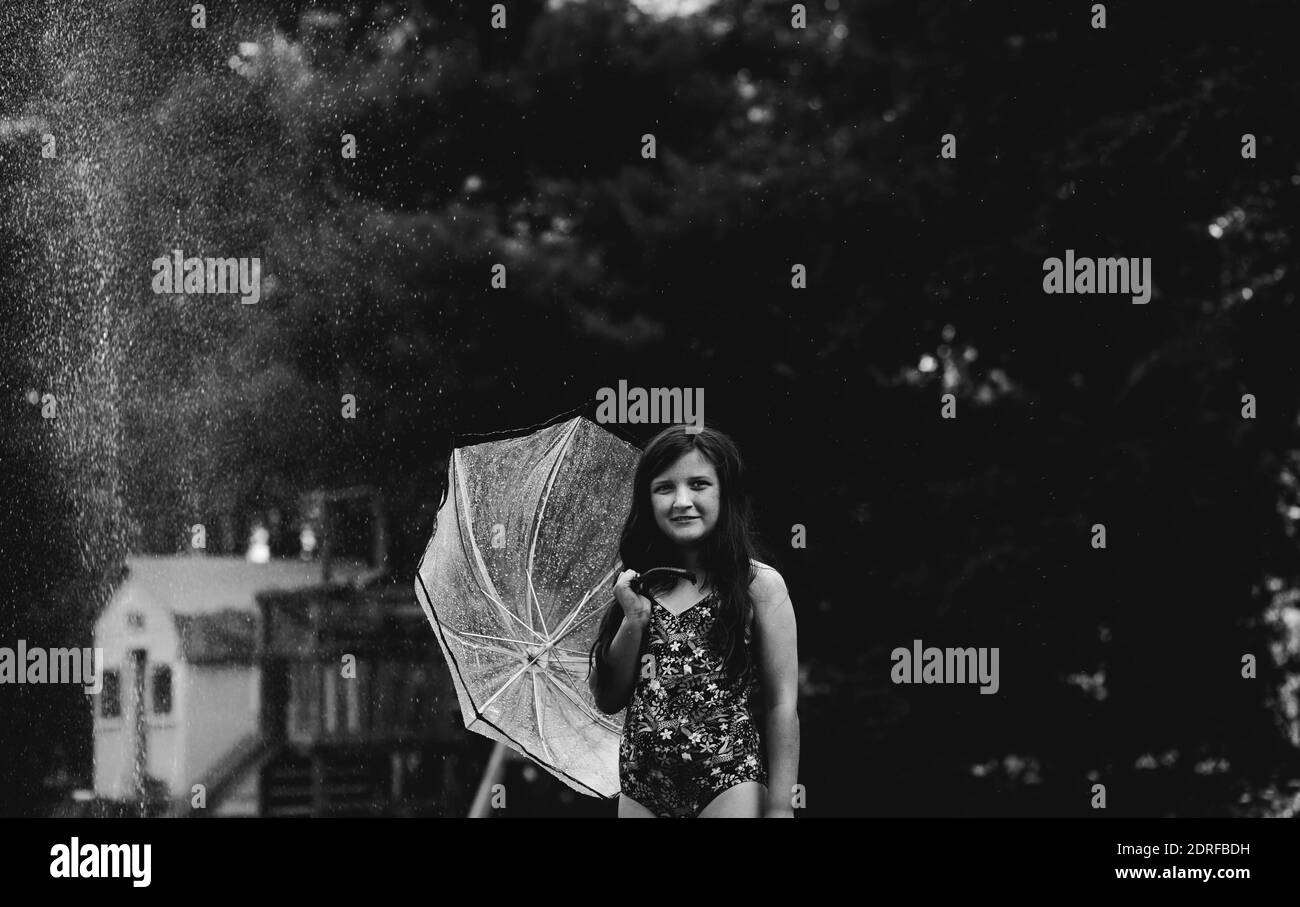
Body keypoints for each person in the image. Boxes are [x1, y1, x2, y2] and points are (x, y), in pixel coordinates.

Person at [587, 424, 800, 817]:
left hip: (727, 777)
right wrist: (633, 618)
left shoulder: (759, 586)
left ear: (724, 493)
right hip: (641, 785)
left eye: (699, 484)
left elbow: (781, 702)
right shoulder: (636, 585)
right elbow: (608, 697)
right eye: (664, 488)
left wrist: (782, 806)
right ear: (647, 500)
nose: (682, 501)